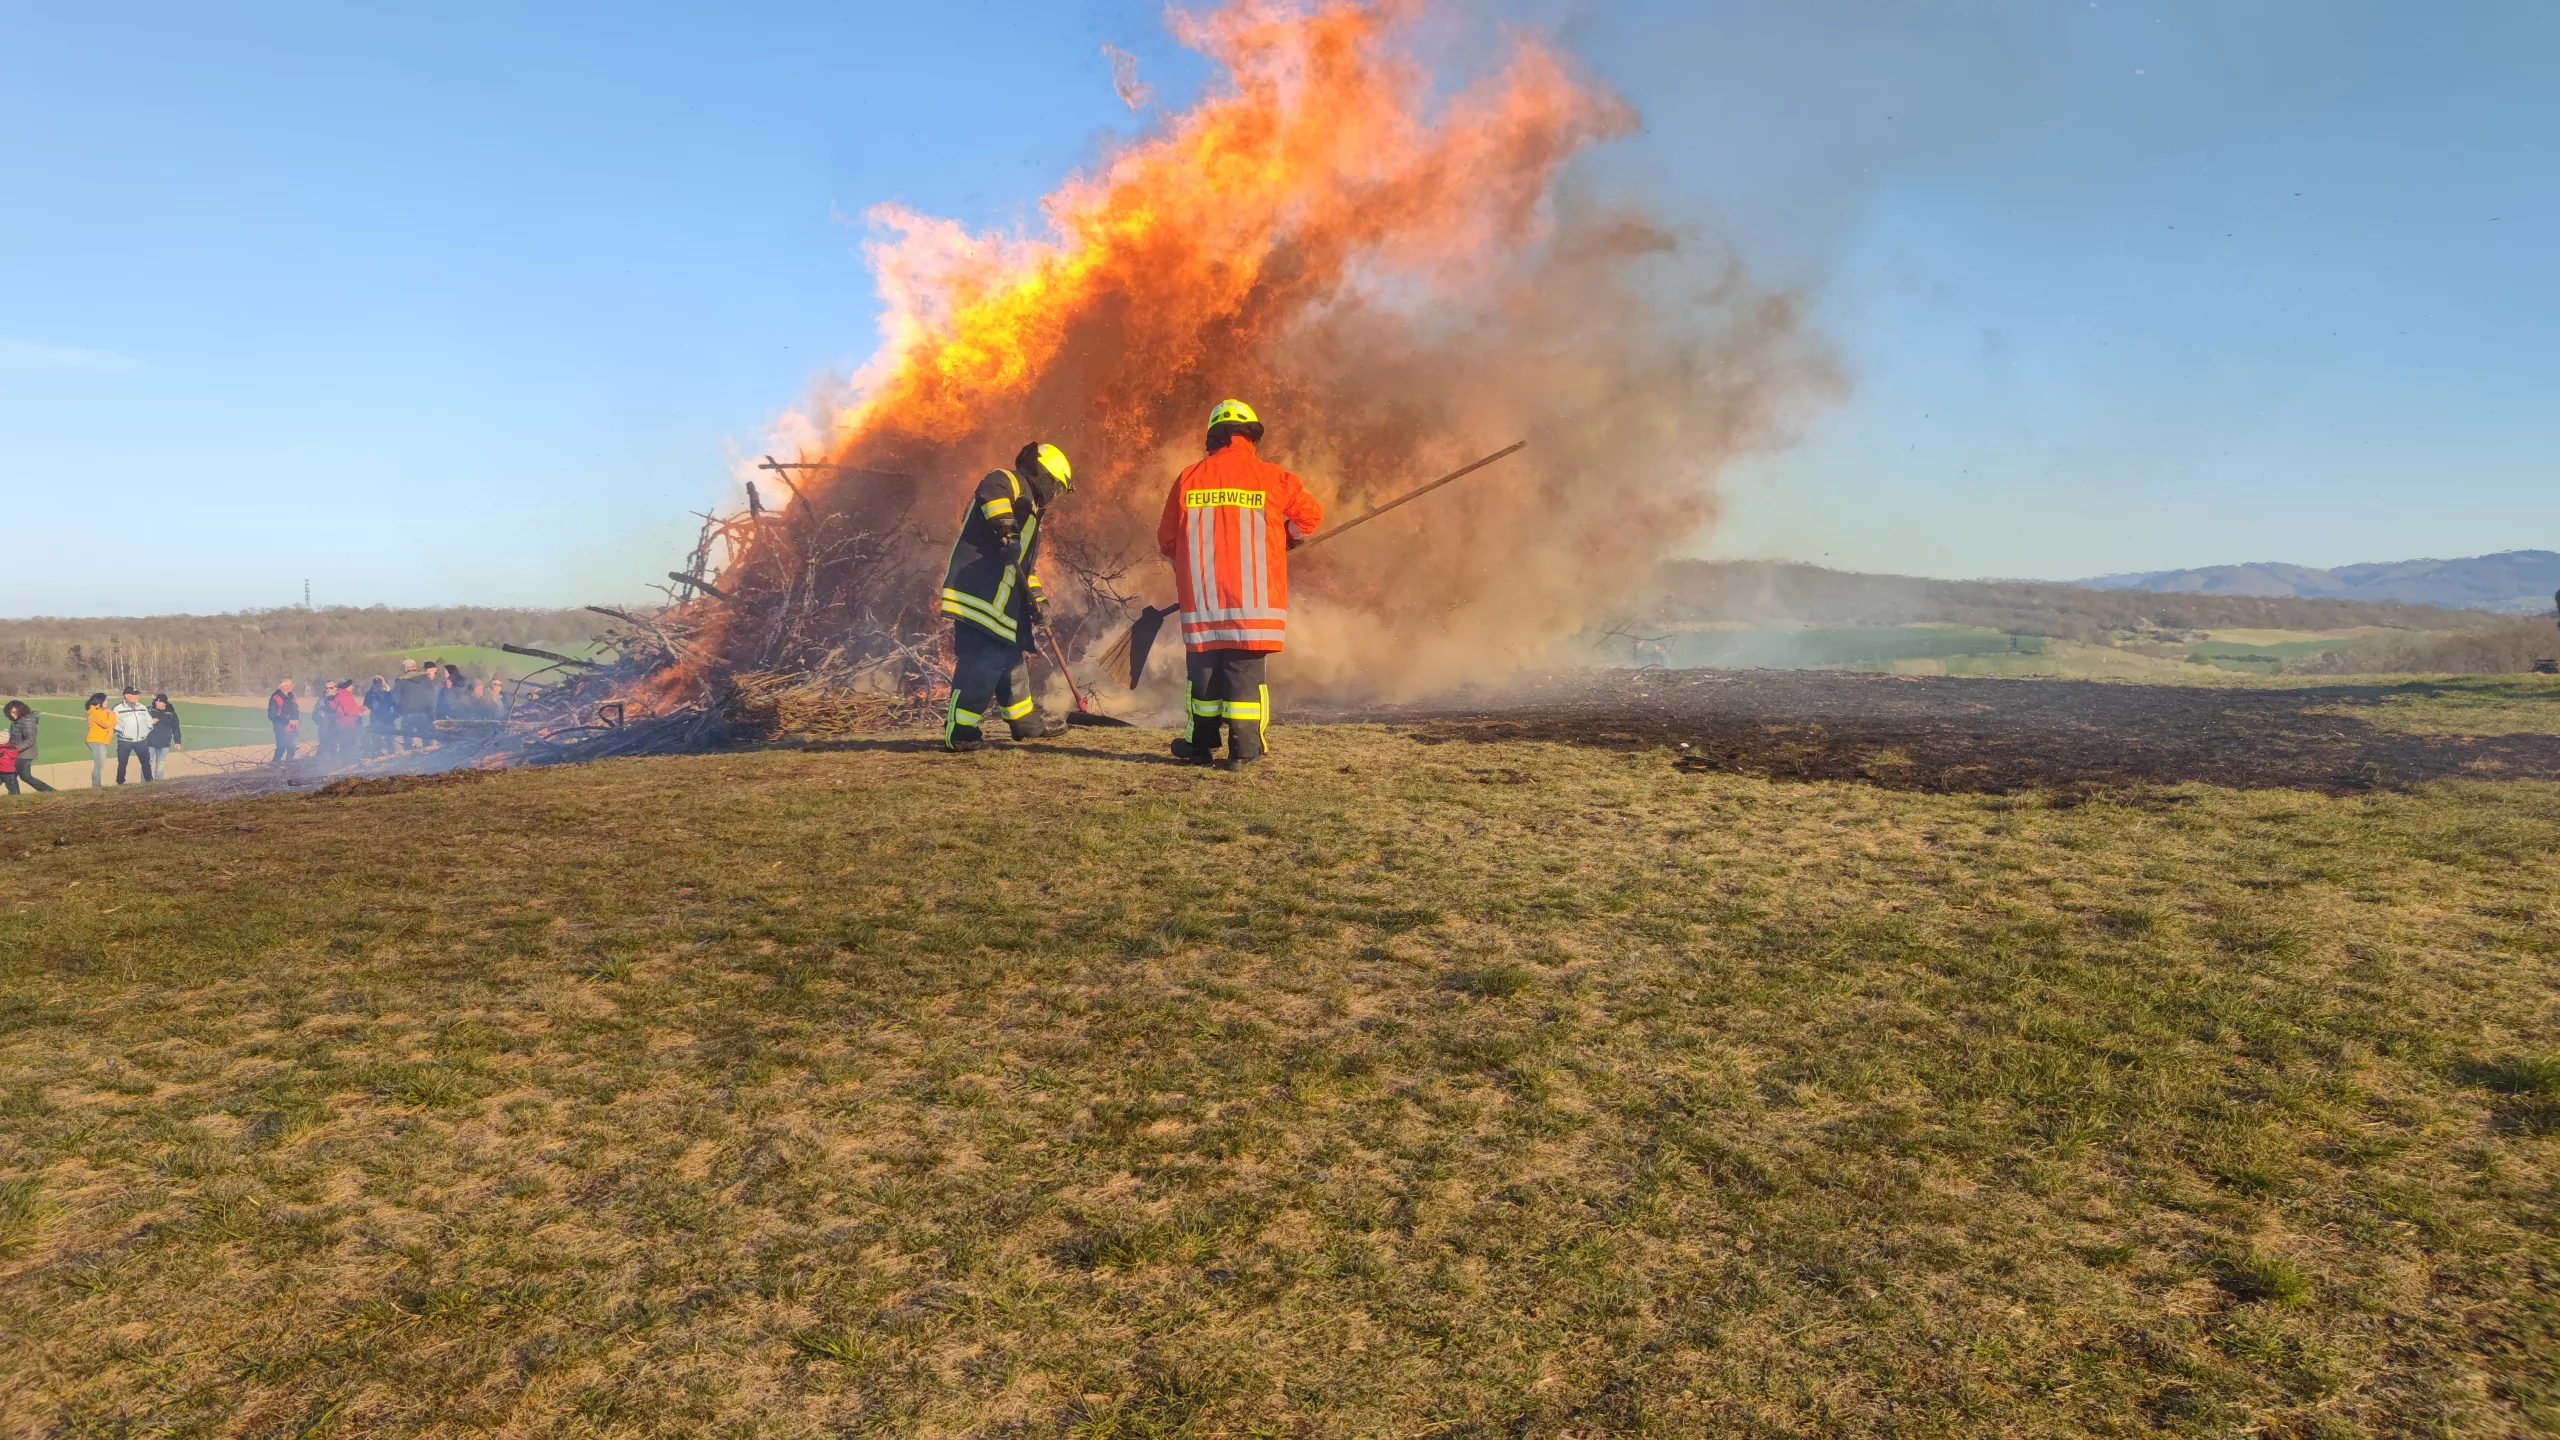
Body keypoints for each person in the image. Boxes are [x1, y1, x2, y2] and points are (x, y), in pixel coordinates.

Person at [1156, 400, 1325, 770]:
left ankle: (1199, 746)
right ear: (1251, 435)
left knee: (1203, 680)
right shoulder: (1273, 477)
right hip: (1254, 604)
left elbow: (1168, 540)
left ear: (1214, 436)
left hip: (1203, 603)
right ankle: (1244, 753)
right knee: (1245, 680)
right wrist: (1285, 538)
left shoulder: (1189, 477)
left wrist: (1189, 570)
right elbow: (1310, 517)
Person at [938, 441, 1075, 752]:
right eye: (1056, 487)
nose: (1054, 496)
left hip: (1001, 606)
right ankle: (960, 731)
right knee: (983, 663)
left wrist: (1038, 601)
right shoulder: (1008, 481)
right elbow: (992, 494)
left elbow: (1025, 568)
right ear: (1045, 476)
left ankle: (1026, 723)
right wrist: (1007, 530)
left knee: (1011, 663)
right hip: (979, 595)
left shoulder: (1031, 517)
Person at [2, 700, 53, 795]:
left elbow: (30, 740)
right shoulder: (16, 722)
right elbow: (15, 738)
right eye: (10, 713)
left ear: (21, 710)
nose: (13, 715)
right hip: (19, 753)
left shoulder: (27, 723)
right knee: (26, 777)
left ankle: (15, 797)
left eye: (15, 712)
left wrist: (15, 749)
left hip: (24, 754)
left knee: (9, 774)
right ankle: (50, 791)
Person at [111, 686, 155, 783]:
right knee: (122, 763)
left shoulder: (142, 707)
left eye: (137, 694)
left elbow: (149, 721)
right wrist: (122, 730)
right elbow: (113, 723)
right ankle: (120, 782)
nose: (137, 696)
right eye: (134, 694)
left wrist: (147, 730)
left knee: (146, 762)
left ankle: (149, 781)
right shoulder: (117, 708)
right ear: (126, 696)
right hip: (125, 741)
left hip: (142, 740)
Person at [395, 660, 438, 749]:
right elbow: (432, 696)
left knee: (407, 737)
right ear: (415, 666)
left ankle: (409, 756)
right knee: (426, 736)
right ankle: (428, 755)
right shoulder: (425, 678)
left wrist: (400, 709)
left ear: (405, 668)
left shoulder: (400, 680)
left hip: (408, 713)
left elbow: (395, 698)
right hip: (424, 713)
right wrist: (432, 712)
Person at [146, 693, 181, 781]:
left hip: (164, 743)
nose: (157, 703)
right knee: (146, 764)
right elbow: (140, 722)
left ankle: (158, 782)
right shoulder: (148, 710)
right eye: (156, 701)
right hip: (149, 742)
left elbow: (175, 728)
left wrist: (177, 741)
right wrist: (150, 721)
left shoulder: (171, 713)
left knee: (160, 765)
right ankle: (145, 783)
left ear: (165, 703)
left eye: (160, 701)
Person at [266, 678, 301, 763]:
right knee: (282, 746)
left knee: (292, 747)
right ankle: (274, 765)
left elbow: (296, 710)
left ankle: (289, 765)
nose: (290, 687)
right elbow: (273, 715)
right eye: (288, 685)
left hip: (293, 726)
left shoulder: (292, 697)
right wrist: (288, 721)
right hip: (281, 726)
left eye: (291, 685)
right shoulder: (276, 697)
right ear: (283, 686)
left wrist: (297, 720)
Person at [328, 678, 364, 759]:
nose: (352, 687)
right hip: (347, 724)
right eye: (350, 685)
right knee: (350, 743)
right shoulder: (345, 695)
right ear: (346, 687)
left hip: (341, 724)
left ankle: (342, 759)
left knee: (344, 743)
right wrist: (361, 708)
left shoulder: (339, 694)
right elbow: (349, 710)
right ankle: (348, 760)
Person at [84, 692, 113, 787]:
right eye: (106, 700)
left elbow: (112, 723)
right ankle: (96, 786)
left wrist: (110, 715)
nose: (107, 702)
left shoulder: (99, 712)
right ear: (100, 701)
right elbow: (106, 724)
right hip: (96, 740)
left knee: (100, 765)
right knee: (99, 765)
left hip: (101, 740)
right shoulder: (95, 712)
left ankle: (97, 785)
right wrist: (111, 714)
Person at [364, 675, 397, 754]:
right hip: (387, 715)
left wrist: (373, 708)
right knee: (388, 735)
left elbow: (366, 703)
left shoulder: (370, 692)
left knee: (377, 735)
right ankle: (390, 752)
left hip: (377, 715)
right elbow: (393, 702)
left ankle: (378, 753)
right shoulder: (388, 691)